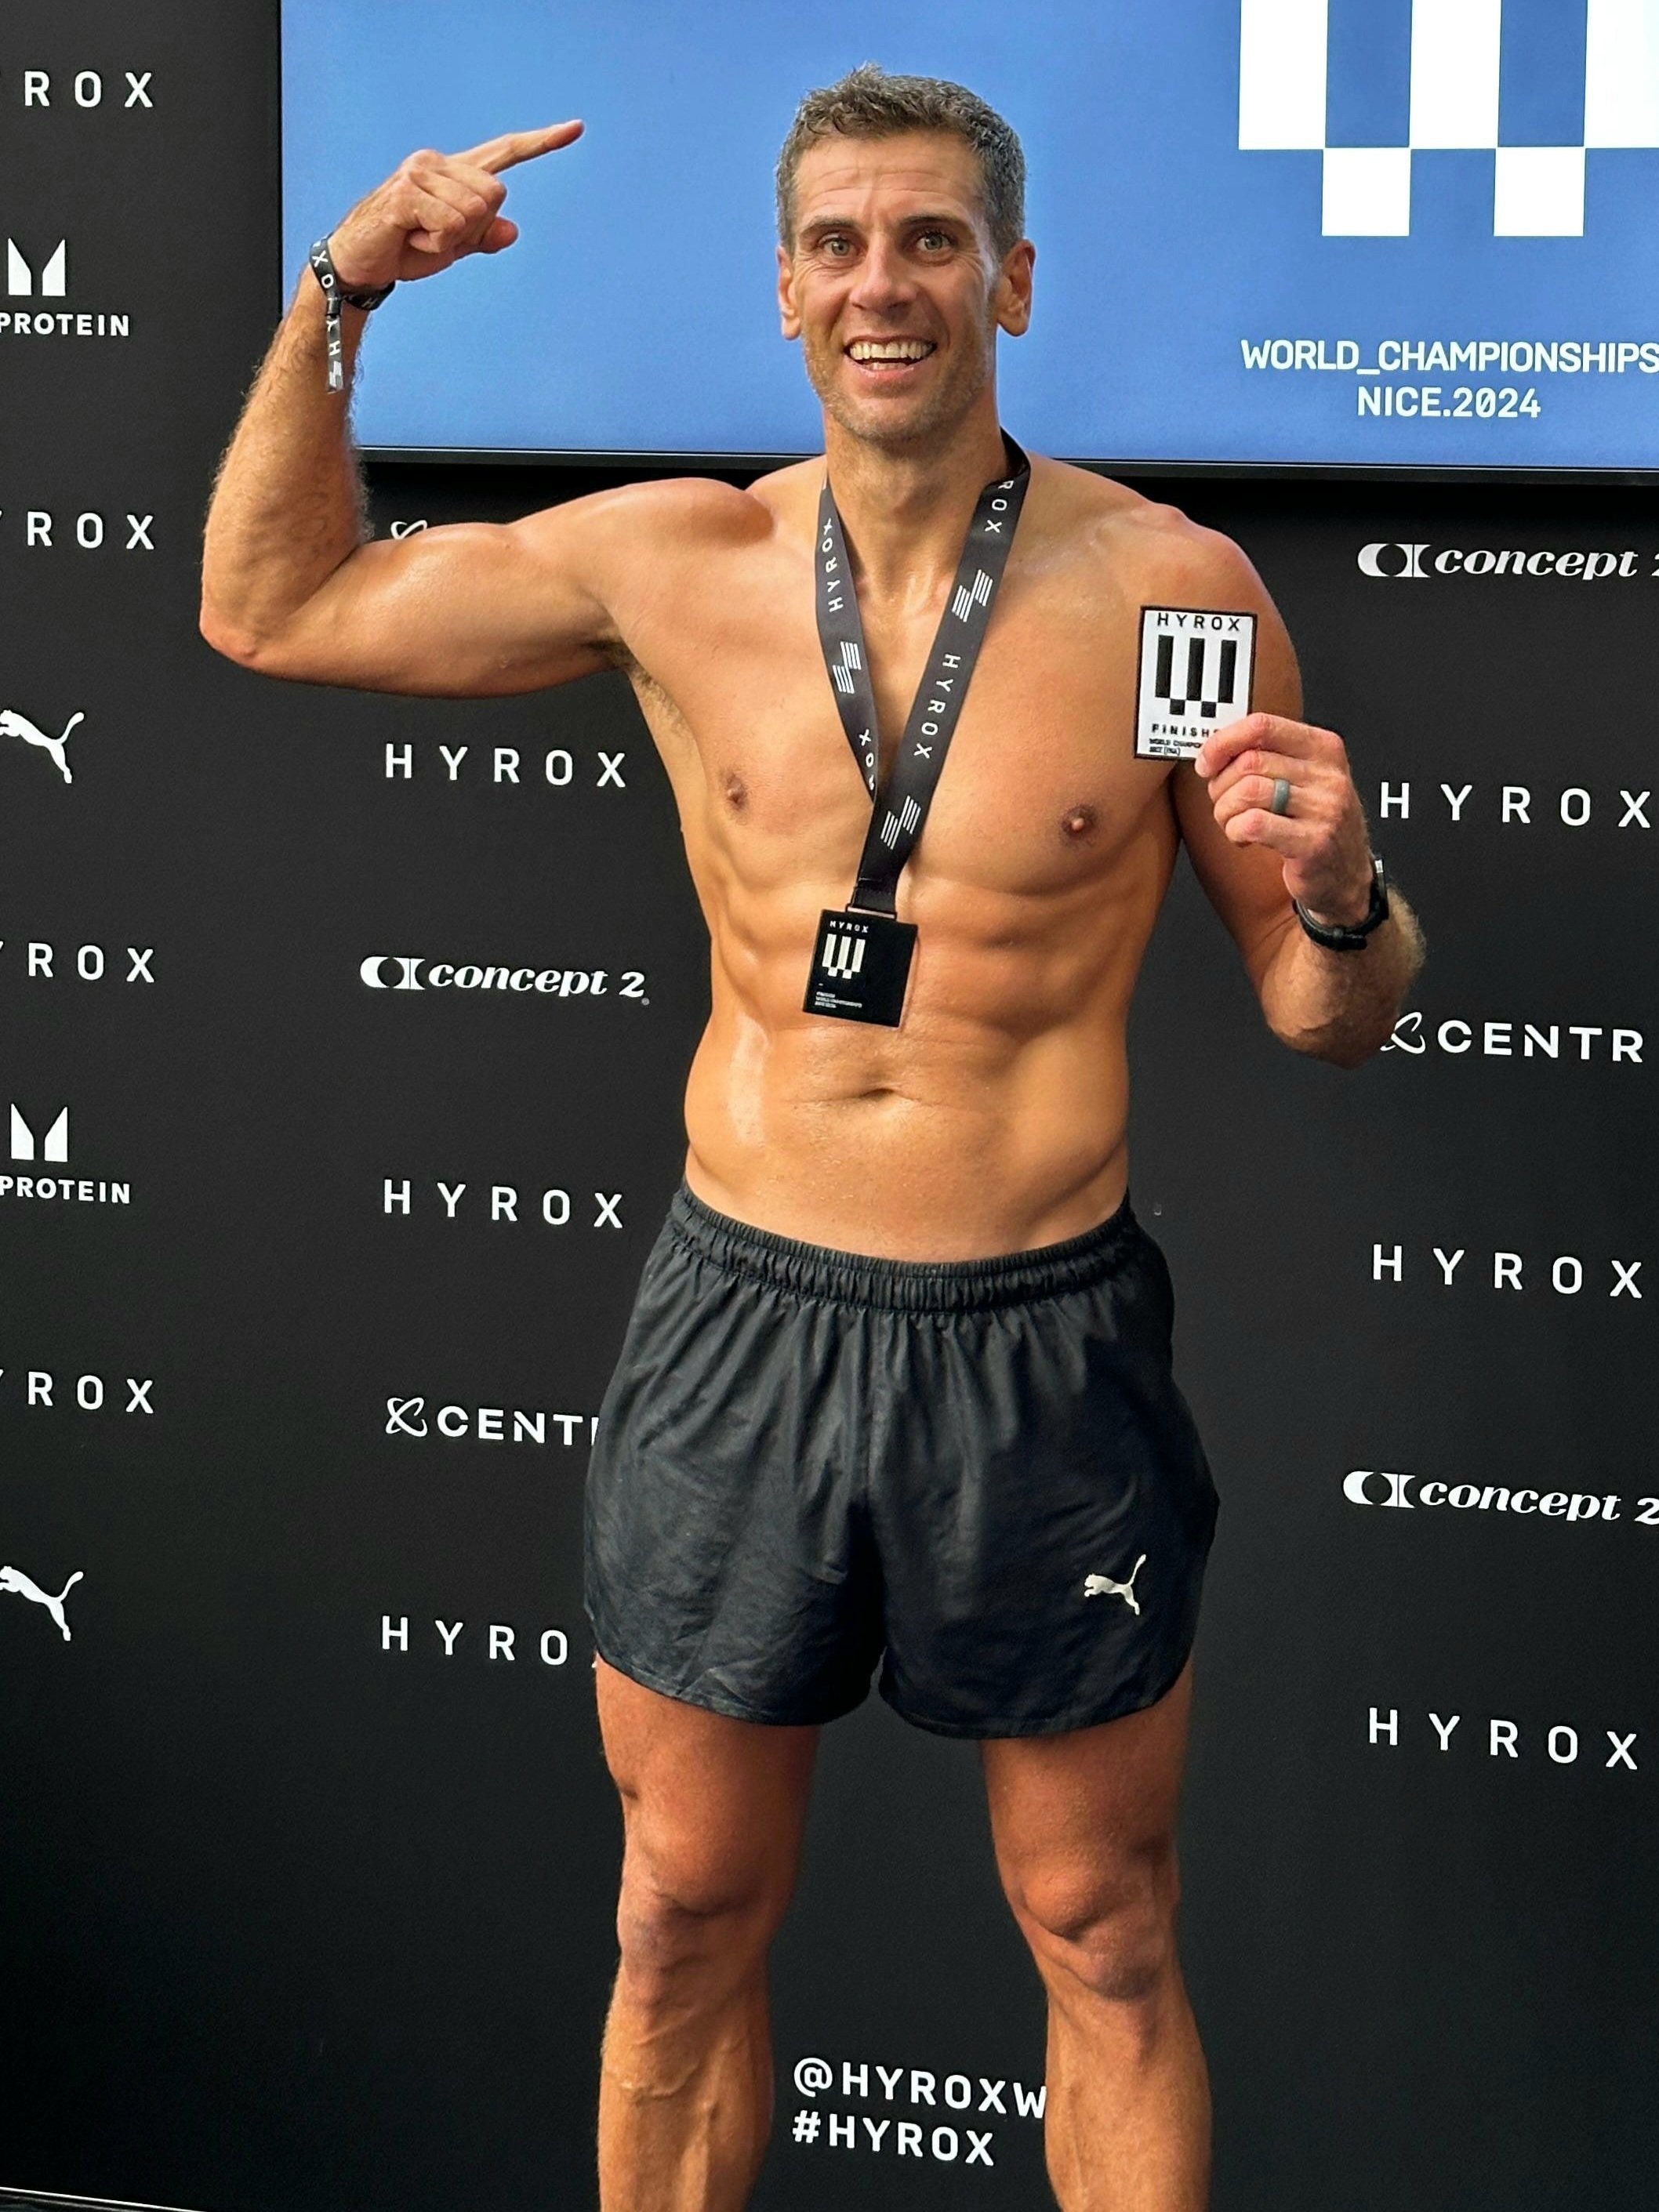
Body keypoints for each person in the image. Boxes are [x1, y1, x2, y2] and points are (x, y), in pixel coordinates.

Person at [200, 64, 1422, 2212]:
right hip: (743, 1325)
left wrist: (1343, 893)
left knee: (1103, 1933)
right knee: (674, 1919)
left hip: (1036, 1348)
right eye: (843, 243)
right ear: (782, 291)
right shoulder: (678, 563)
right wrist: (341, 291)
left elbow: (1322, 1014)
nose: (887, 284)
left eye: (932, 239)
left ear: (1010, 280)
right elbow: (270, 606)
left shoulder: (1170, 589)